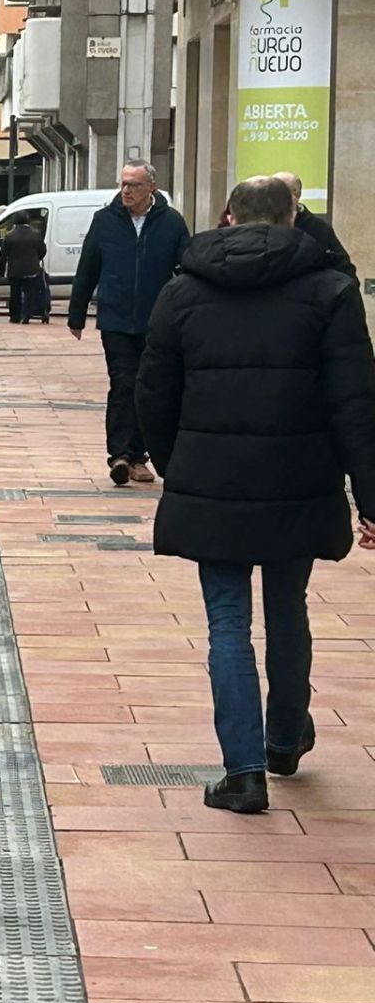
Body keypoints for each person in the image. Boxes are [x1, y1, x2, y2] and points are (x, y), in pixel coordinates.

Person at [136, 175, 375, 813]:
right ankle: (285, 735)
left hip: (210, 480)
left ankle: (243, 772)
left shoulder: (183, 289)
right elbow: (354, 403)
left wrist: (175, 462)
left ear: (230, 218)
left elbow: (152, 391)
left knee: (226, 623)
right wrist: (369, 494)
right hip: (299, 479)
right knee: (288, 609)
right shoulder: (331, 291)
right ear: (295, 218)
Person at [66, 162, 190, 486]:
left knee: (149, 389)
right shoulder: (104, 221)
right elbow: (87, 269)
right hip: (117, 320)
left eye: (133, 185)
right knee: (123, 384)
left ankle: (139, 457)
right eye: (123, 184)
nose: (126, 191)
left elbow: (187, 271)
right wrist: (76, 315)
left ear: (151, 187)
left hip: (156, 323)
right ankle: (120, 455)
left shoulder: (172, 223)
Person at [274, 171, 356, 284]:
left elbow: (345, 271)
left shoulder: (319, 228)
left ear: (295, 195)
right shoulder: (261, 224)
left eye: (276, 192)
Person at [0, 215, 47, 325]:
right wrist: (36, 258)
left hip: (15, 270)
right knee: (29, 292)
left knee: (15, 293)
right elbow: (43, 250)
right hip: (32, 269)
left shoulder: (9, 236)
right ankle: (27, 315)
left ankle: (15, 316)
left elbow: (3, 255)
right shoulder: (36, 235)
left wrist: (0, 272)